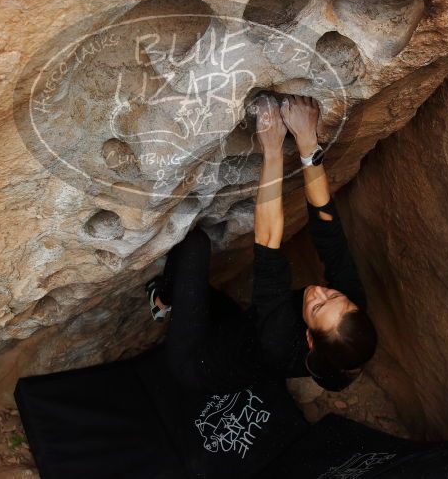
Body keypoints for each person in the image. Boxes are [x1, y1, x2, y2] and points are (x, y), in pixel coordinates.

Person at [146, 94, 376, 394]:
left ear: (309, 339)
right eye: (333, 296)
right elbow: (328, 230)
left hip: (197, 364)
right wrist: (308, 144)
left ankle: (161, 303)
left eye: (318, 307)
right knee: (219, 306)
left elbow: (268, 242)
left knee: (194, 246)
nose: (319, 292)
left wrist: (273, 149)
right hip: (242, 330)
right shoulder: (346, 328)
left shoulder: (278, 338)